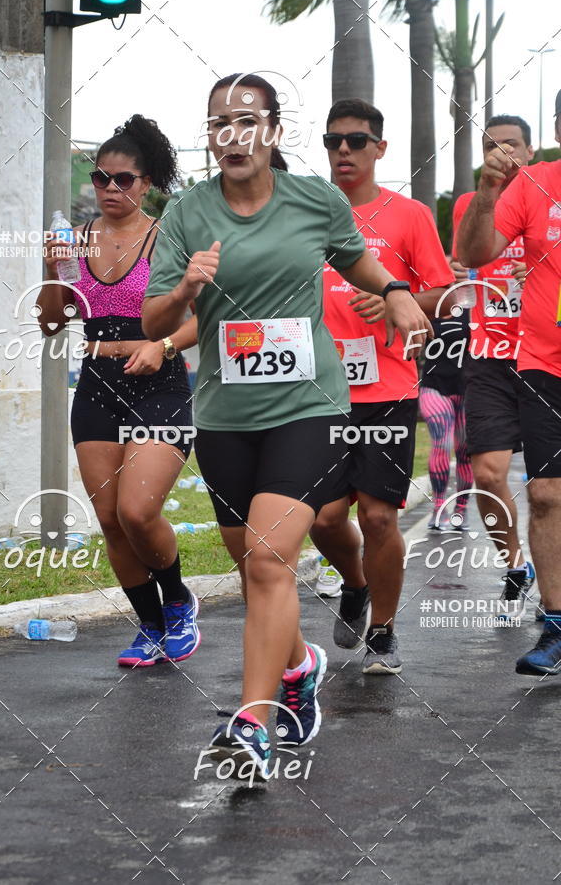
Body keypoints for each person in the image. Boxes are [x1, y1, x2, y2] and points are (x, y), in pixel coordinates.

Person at [142, 74, 432, 779]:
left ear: (272, 132)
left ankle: (253, 724)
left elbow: (355, 259)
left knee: (270, 558)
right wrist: (185, 288)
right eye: (219, 123)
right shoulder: (186, 213)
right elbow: (153, 320)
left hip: (309, 408)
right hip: (224, 415)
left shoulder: (314, 200)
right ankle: (299, 666)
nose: (232, 135)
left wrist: (395, 292)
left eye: (247, 121)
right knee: (253, 567)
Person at [39, 115, 200, 668]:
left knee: (137, 510)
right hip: (97, 385)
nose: (109, 188)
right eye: (100, 178)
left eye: (123, 179)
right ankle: (149, 626)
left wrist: (163, 345)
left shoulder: (167, 238)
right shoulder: (75, 240)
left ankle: (178, 602)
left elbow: (206, 320)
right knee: (109, 518)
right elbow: (52, 323)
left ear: (146, 183)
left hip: (159, 385)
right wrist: (53, 270)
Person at [310, 99, 454, 674]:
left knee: (377, 517)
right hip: (316, 390)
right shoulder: (307, 213)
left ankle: (384, 631)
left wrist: (397, 298)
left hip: (386, 387)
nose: (343, 150)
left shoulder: (409, 215)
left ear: (380, 149)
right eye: (333, 141)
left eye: (356, 141)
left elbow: (445, 295)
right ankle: (355, 583)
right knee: (322, 519)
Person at [457, 91, 561, 676]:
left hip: (525, 354)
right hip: (533, 361)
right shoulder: (529, 186)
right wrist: (489, 192)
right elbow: (472, 254)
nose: (503, 154)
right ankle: (552, 618)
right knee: (541, 492)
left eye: (510, 146)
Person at [451, 115, 537, 620]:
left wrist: (542, 271)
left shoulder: (549, 198)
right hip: (489, 356)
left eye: (512, 145)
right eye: (492, 146)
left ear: (530, 152)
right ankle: (515, 566)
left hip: (544, 355)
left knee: (550, 488)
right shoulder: (471, 201)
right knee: (487, 473)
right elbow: (464, 261)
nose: (502, 153)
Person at [419, 312, 473, 533]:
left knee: (465, 451)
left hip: (469, 388)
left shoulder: (473, 308)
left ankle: (461, 508)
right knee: (442, 442)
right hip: (434, 385)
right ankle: (439, 506)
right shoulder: (428, 308)